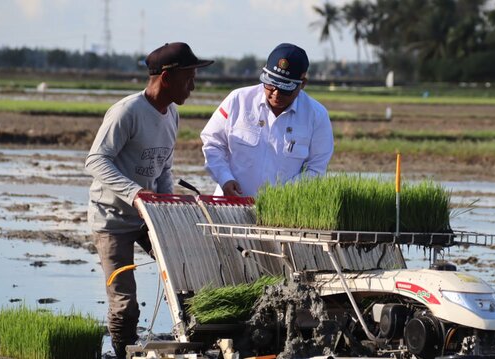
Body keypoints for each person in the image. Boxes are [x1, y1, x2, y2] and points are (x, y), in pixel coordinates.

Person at [85, 42, 212, 358]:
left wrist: (167, 204)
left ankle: (193, 339)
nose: (193, 87)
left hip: (148, 217)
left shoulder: (171, 116)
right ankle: (121, 352)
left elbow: (163, 168)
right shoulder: (127, 111)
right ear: (167, 78)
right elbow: (96, 160)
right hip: (112, 221)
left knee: (188, 275)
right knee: (125, 304)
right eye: (189, 78)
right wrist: (135, 194)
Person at [201, 43, 334, 196]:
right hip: (229, 205)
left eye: (285, 88)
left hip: (281, 212)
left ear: (302, 84)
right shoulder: (238, 100)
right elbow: (212, 143)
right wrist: (225, 178)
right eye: (271, 84)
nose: (276, 93)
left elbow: (316, 169)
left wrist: (278, 198)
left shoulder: (317, 116)